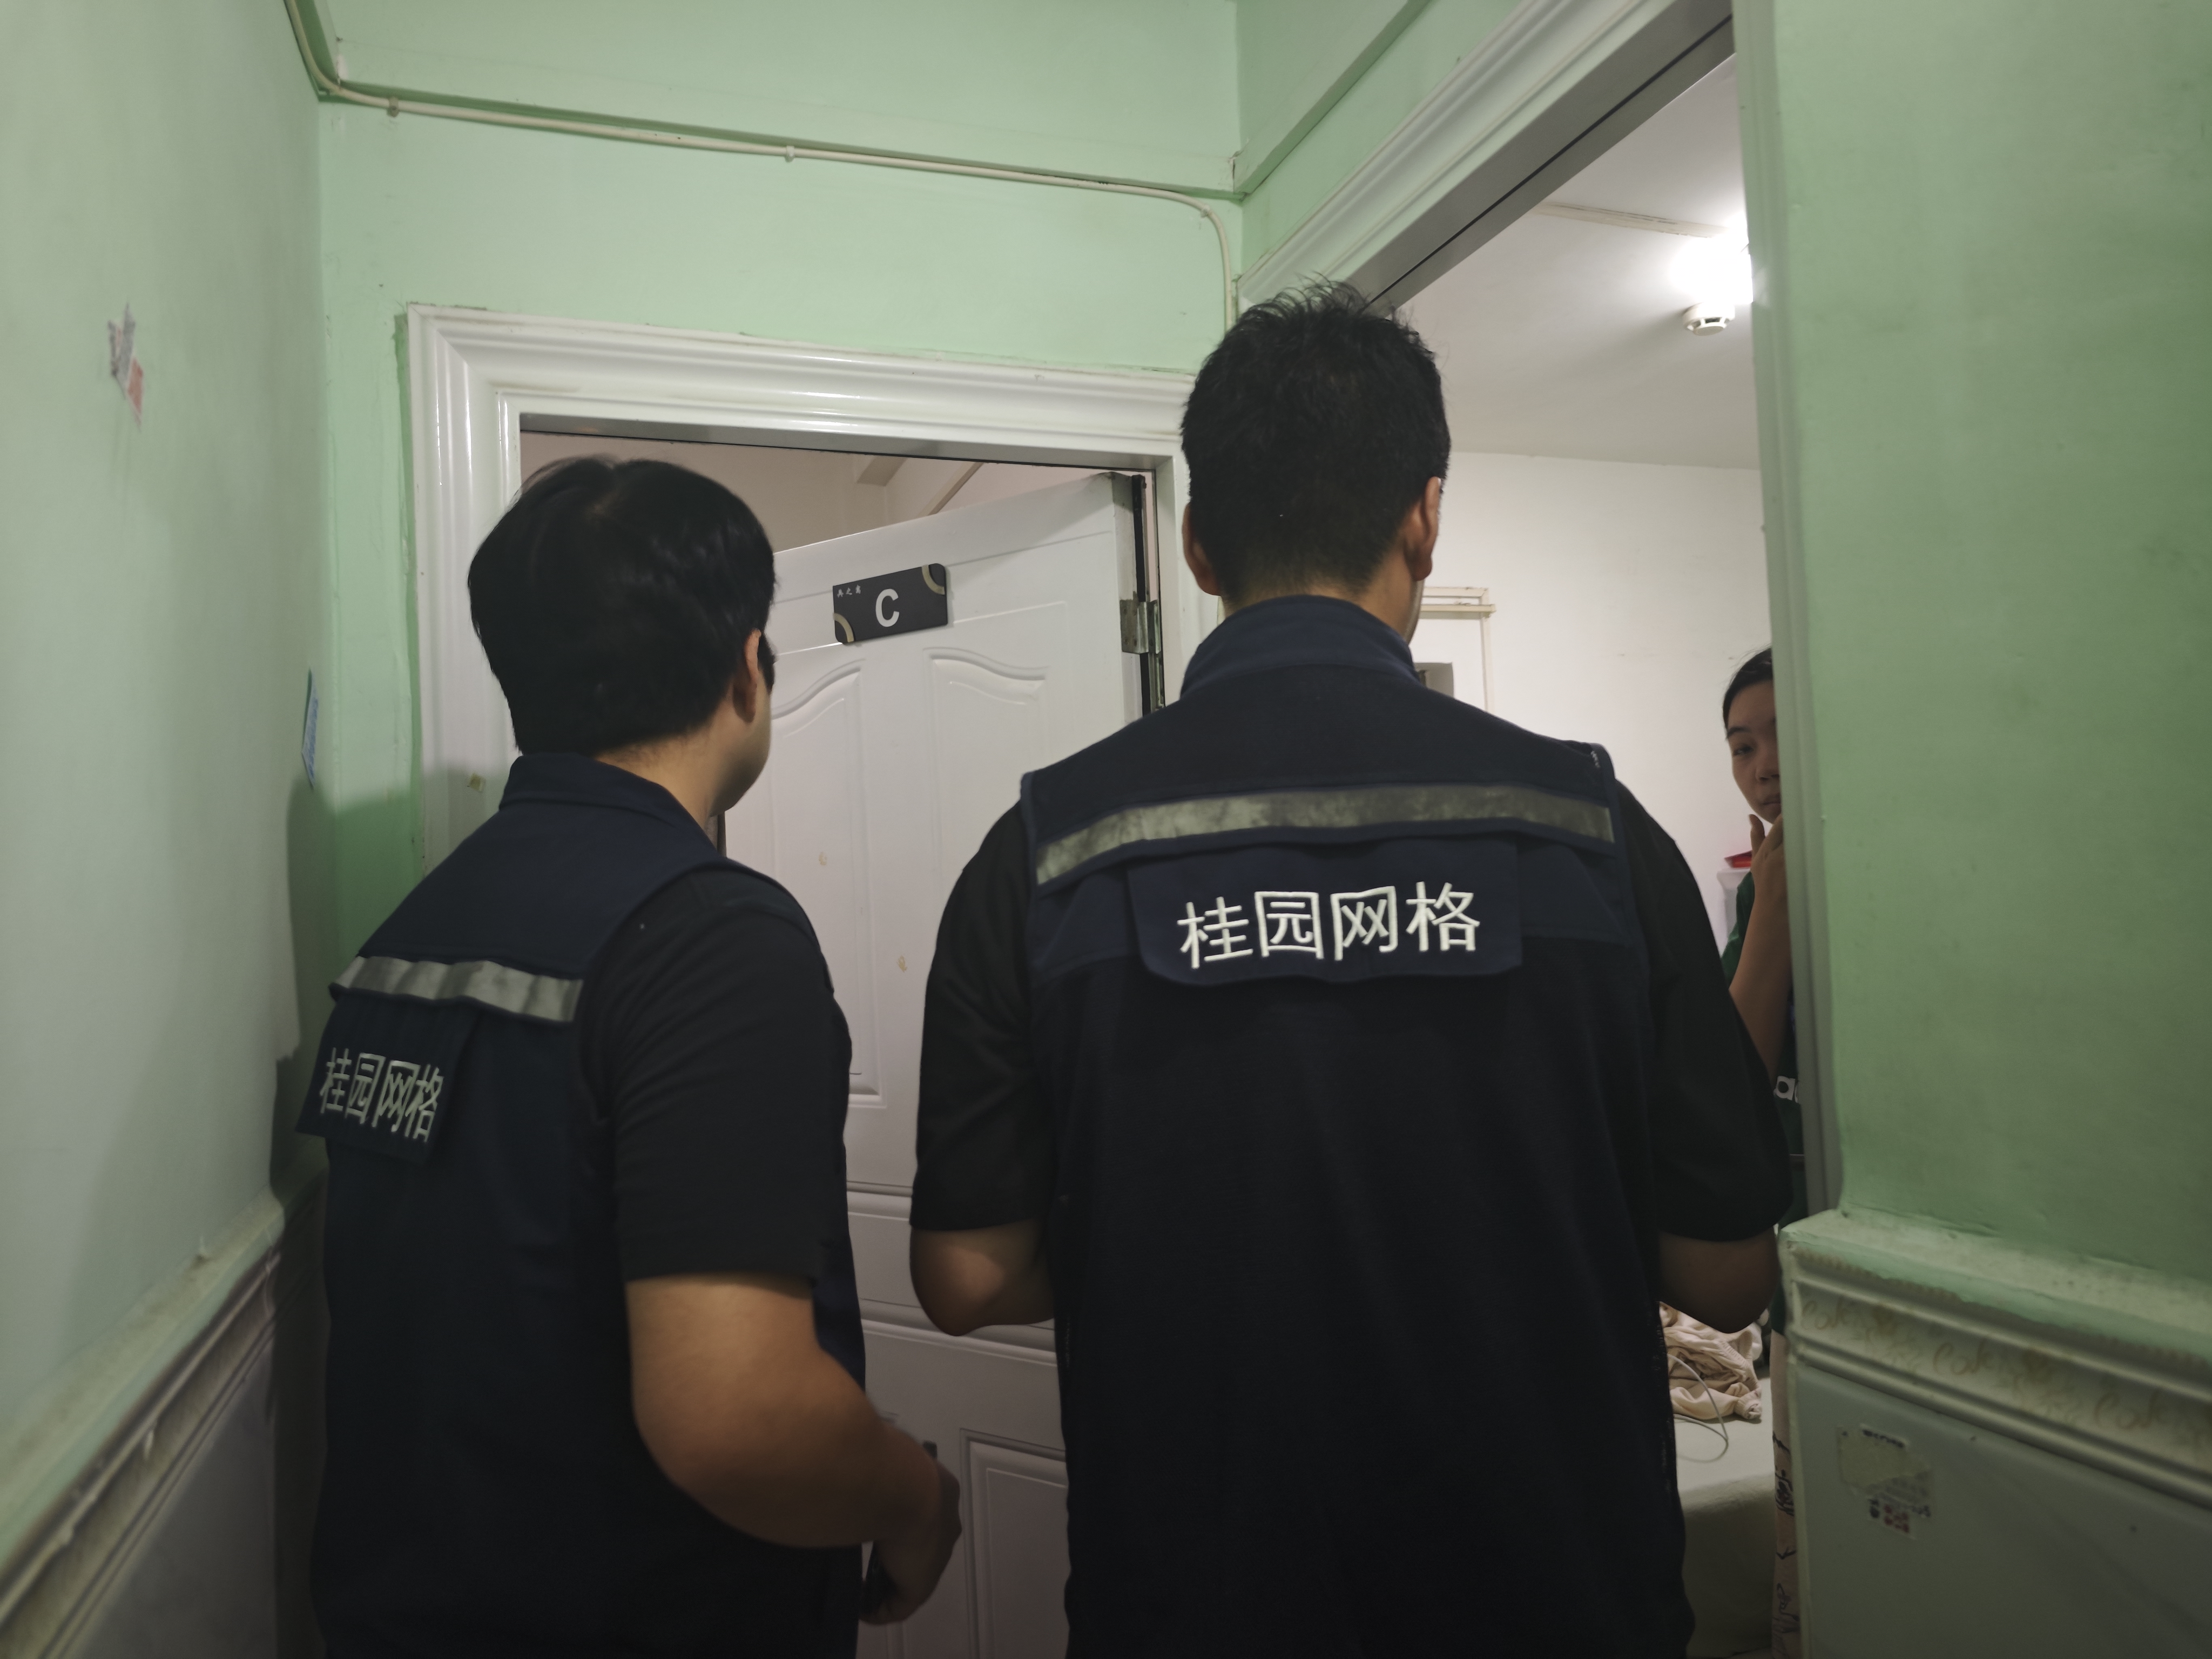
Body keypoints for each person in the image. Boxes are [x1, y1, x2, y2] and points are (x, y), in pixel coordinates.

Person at [904, 284, 1793, 1656]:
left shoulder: (1045, 851)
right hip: (1554, 1594)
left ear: (1197, 545)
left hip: (1199, 1604)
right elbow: (1727, 1274)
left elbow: (964, 1277)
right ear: (1424, 517)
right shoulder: (1593, 833)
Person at [299, 458, 960, 1657]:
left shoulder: (409, 934)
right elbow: (735, 1415)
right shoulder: (711, 940)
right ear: (748, 669)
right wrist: (918, 1501)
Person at [1716, 645, 1805, 1657]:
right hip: (1788, 1248)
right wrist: (1769, 908)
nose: (1764, 764)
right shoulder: (1762, 885)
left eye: (1781, 735)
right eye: (1744, 745)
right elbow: (1734, 1078)